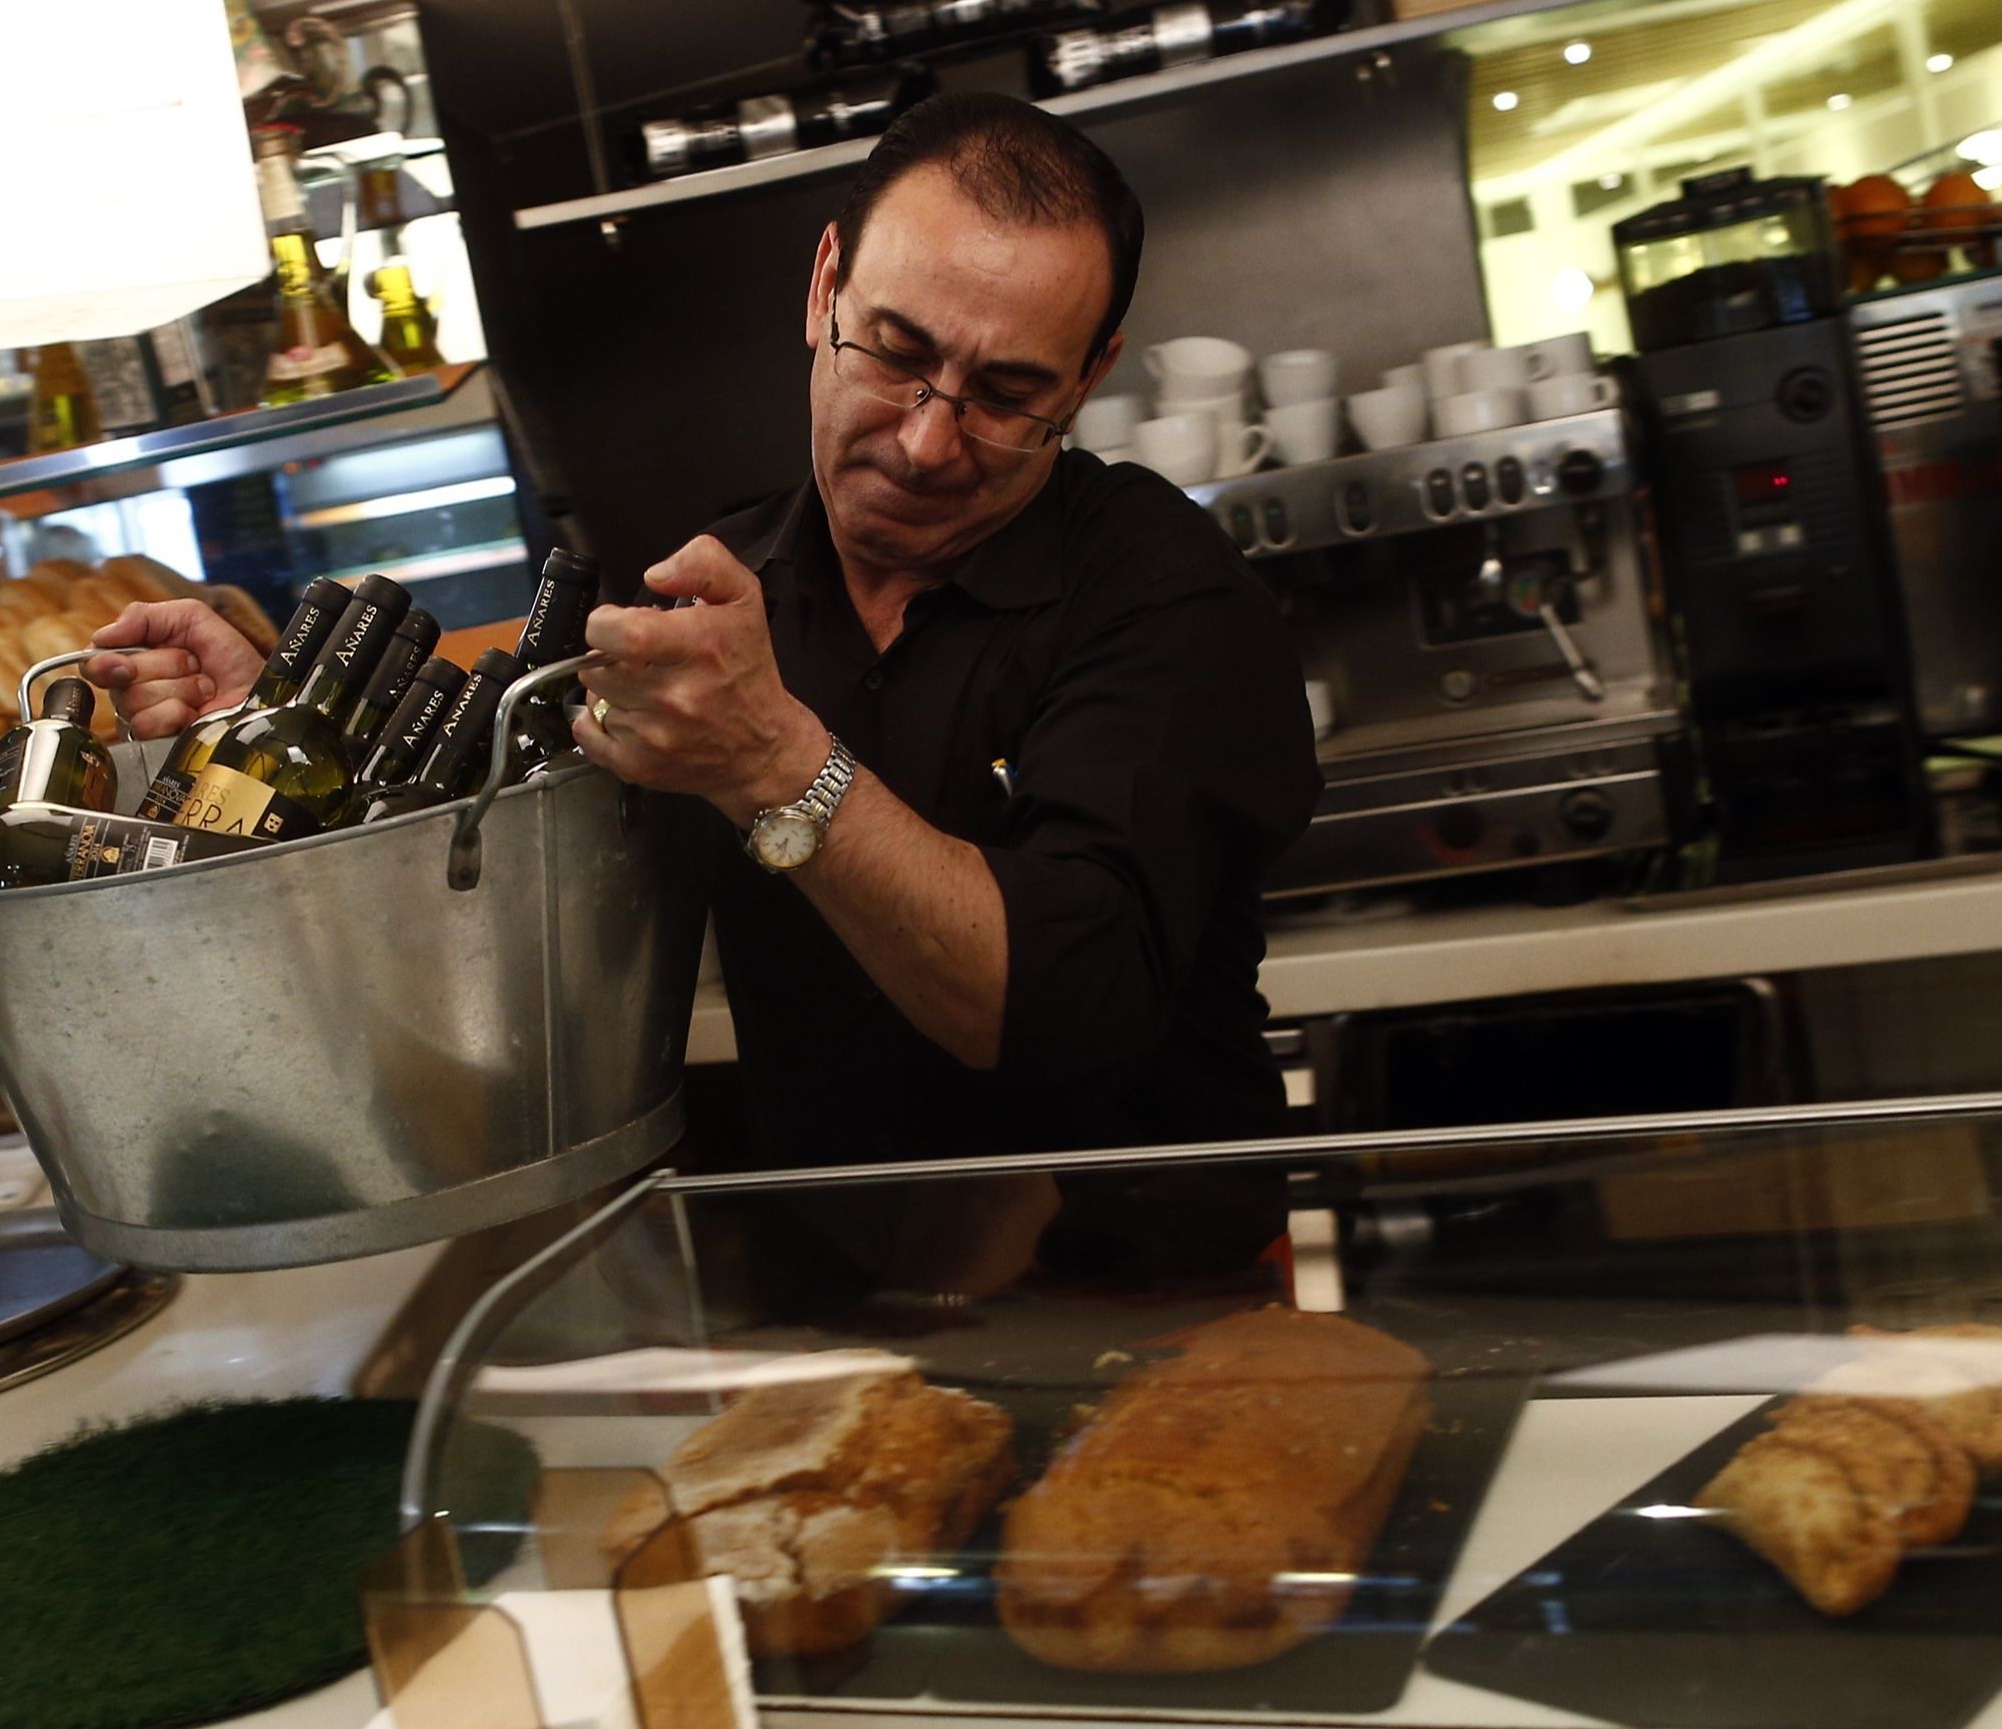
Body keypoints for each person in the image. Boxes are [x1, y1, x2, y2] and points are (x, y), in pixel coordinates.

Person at [90, 92, 1317, 1182]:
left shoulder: (1166, 597)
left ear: (1090, 375)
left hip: (1157, 1314)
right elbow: (480, 847)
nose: (929, 439)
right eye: (894, 353)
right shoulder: (721, 589)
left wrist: (777, 764)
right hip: (841, 1311)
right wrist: (271, 724)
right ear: (823, 283)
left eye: (1005, 397)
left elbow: (1064, 1011)